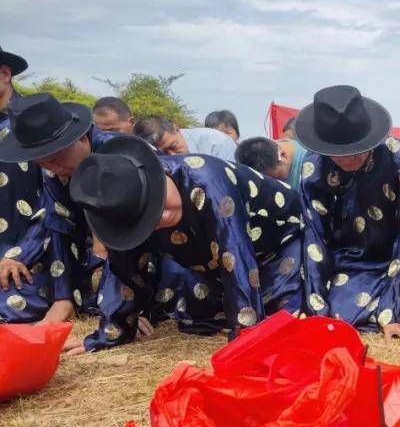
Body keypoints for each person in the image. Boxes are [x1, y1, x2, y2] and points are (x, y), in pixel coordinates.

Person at [65, 135, 305, 353]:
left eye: (158, 203)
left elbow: (236, 253)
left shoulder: (211, 182)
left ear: (158, 174)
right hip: (214, 265)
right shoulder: (123, 209)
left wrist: (244, 338)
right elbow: (124, 269)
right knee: (193, 312)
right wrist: (109, 332)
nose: (161, 217)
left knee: (285, 312)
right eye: (147, 221)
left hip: (280, 246)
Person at [295, 85, 400, 337]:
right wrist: (317, 310)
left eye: (356, 150)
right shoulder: (314, 167)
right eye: (338, 154)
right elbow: (314, 238)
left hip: (395, 259)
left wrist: (392, 309)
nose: (348, 160)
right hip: (346, 262)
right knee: (319, 308)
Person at [0, 93, 116, 324]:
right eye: (43, 164)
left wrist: (122, 307)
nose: (54, 169)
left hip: (148, 259)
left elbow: (135, 237)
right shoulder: (53, 171)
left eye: (57, 158)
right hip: (85, 258)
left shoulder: (119, 157)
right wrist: (63, 298)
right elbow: (58, 226)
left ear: (82, 138)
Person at [0, 45, 49, 323]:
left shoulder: (35, 124)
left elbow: (55, 202)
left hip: (31, 252)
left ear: (5, 73)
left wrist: (16, 255)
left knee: (13, 300)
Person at [134, 116, 236, 162]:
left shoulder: (218, 143)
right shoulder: (152, 158)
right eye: (164, 153)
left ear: (176, 128)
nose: (172, 155)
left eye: (173, 146)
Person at [236, 135, 308, 190]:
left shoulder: (312, 161)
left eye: (278, 177)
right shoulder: (272, 149)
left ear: (283, 155)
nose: (276, 183)